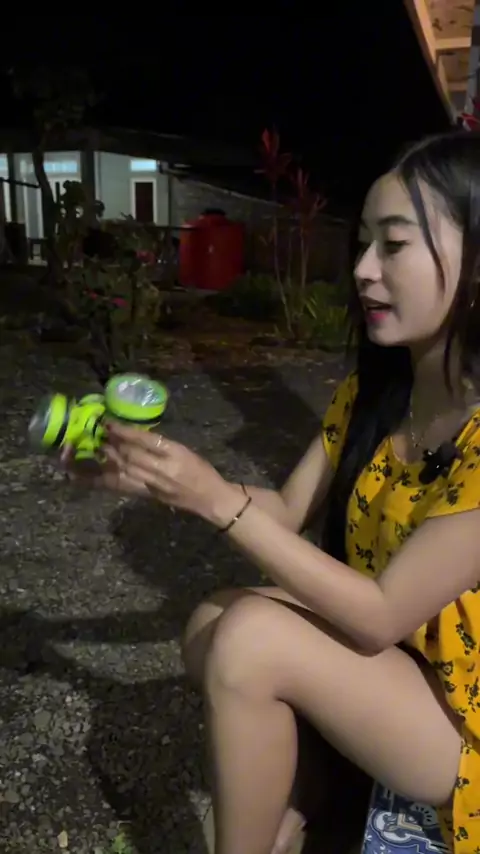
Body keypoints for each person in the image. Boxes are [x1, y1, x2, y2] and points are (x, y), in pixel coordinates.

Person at [64, 130, 480, 854]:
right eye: (363, 244)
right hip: (405, 673)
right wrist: (159, 473)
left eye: (393, 245)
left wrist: (214, 499)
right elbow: (286, 510)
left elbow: (380, 616)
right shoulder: (379, 394)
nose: (362, 270)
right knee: (214, 622)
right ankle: (301, 805)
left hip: (461, 720)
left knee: (251, 638)